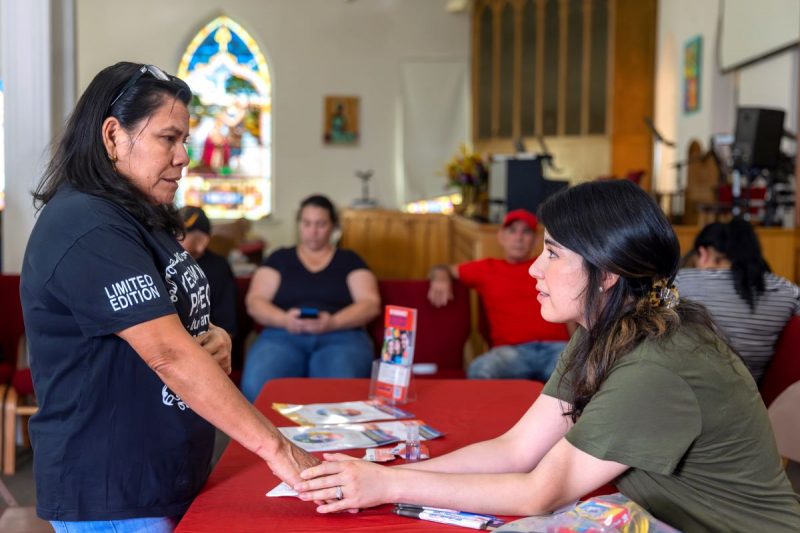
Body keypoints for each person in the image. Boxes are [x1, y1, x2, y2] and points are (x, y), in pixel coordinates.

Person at [294, 180, 800, 532]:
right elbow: (516, 449)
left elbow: (542, 492)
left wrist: (383, 483)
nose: (534, 269)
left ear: (607, 274)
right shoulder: (605, 325)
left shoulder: (658, 365)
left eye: (553, 253)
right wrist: (384, 477)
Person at [20, 62, 318, 531]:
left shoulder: (140, 214)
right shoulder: (86, 223)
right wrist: (278, 450)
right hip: (115, 486)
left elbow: (164, 320)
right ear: (114, 135)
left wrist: (210, 334)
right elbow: (167, 353)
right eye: (168, 138)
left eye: (185, 140)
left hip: (162, 470)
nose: (184, 157)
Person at [240, 194, 381, 402]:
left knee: (341, 392)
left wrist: (333, 322)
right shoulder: (280, 258)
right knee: (256, 385)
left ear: (333, 227)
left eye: (321, 224)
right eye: (307, 223)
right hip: (282, 334)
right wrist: (285, 320)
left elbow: (370, 304)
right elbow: (255, 301)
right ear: (299, 224)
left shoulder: (349, 260)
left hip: (343, 336)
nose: (313, 231)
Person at [428, 209, 571, 381]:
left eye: (526, 232)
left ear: (535, 240)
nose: (518, 237)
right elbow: (441, 268)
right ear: (501, 237)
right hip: (510, 353)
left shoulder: (548, 266)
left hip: (556, 349)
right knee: (479, 369)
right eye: (512, 231)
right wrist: (441, 277)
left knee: (576, 375)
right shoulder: (487, 268)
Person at [675, 218, 800, 383]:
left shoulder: (680, 281)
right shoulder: (786, 289)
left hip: (687, 392)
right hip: (752, 398)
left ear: (703, 253)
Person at [179, 205, 237, 339]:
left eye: (182, 233)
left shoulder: (218, 267)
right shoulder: (159, 260)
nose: (173, 237)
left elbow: (226, 327)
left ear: (202, 241)